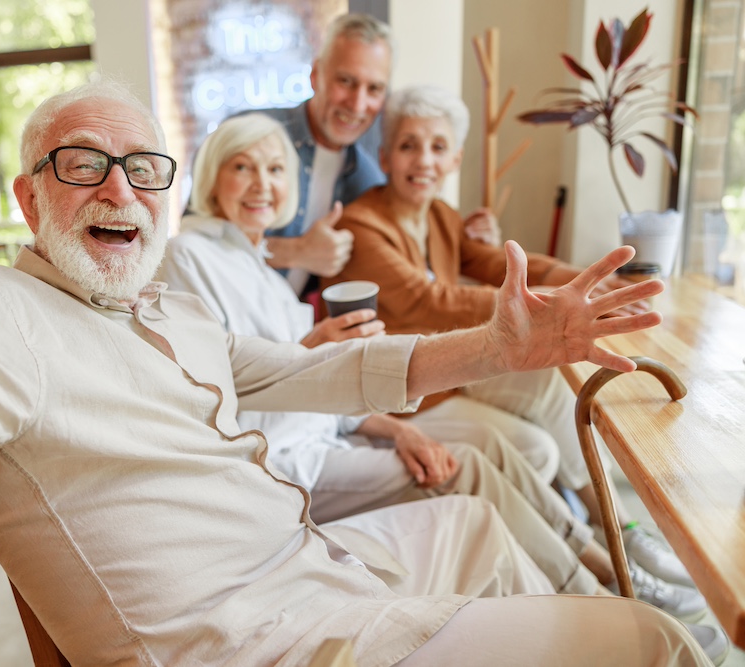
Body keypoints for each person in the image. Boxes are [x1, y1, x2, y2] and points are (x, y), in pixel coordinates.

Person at [0, 80, 718, 666]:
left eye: (141, 167)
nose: (119, 187)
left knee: (468, 518)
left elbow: (317, 374)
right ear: (27, 195)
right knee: (649, 642)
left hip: (308, 571)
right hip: (257, 645)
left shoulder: (164, 305)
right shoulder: (0, 318)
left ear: (168, 195)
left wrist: (499, 349)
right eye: (82, 164)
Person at [160, 112, 631, 600]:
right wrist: (308, 353)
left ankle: (604, 559)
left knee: (489, 442)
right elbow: (211, 391)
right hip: (281, 464)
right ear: (213, 176)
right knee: (461, 466)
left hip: (329, 438)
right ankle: (598, 594)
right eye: (242, 167)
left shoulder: (265, 274)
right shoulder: (189, 256)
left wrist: (396, 428)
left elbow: (319, 394)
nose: (262, 184)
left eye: (276, 170)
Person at [321, 84, 702, 598]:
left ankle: (619, 529)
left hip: (455, 372)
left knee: (554, 386)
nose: (423, 159)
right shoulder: (364, 228)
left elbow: (495, 264)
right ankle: (601, 557)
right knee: (536, 446)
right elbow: (436, 300)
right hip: (412, 389)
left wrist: (585, 280)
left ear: (455, 156)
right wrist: (549, 303)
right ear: (385, 155)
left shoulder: (438, 216)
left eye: (438, 147)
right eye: (409, 145)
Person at [254, 13, 499, 290]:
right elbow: (195, 238)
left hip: (291, 328)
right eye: (345, 81)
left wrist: (468, 238)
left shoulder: (365, 177)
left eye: (374, 88)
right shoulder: (254, 135)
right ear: (315, 75)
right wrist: (295, 251)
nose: (358, 104)